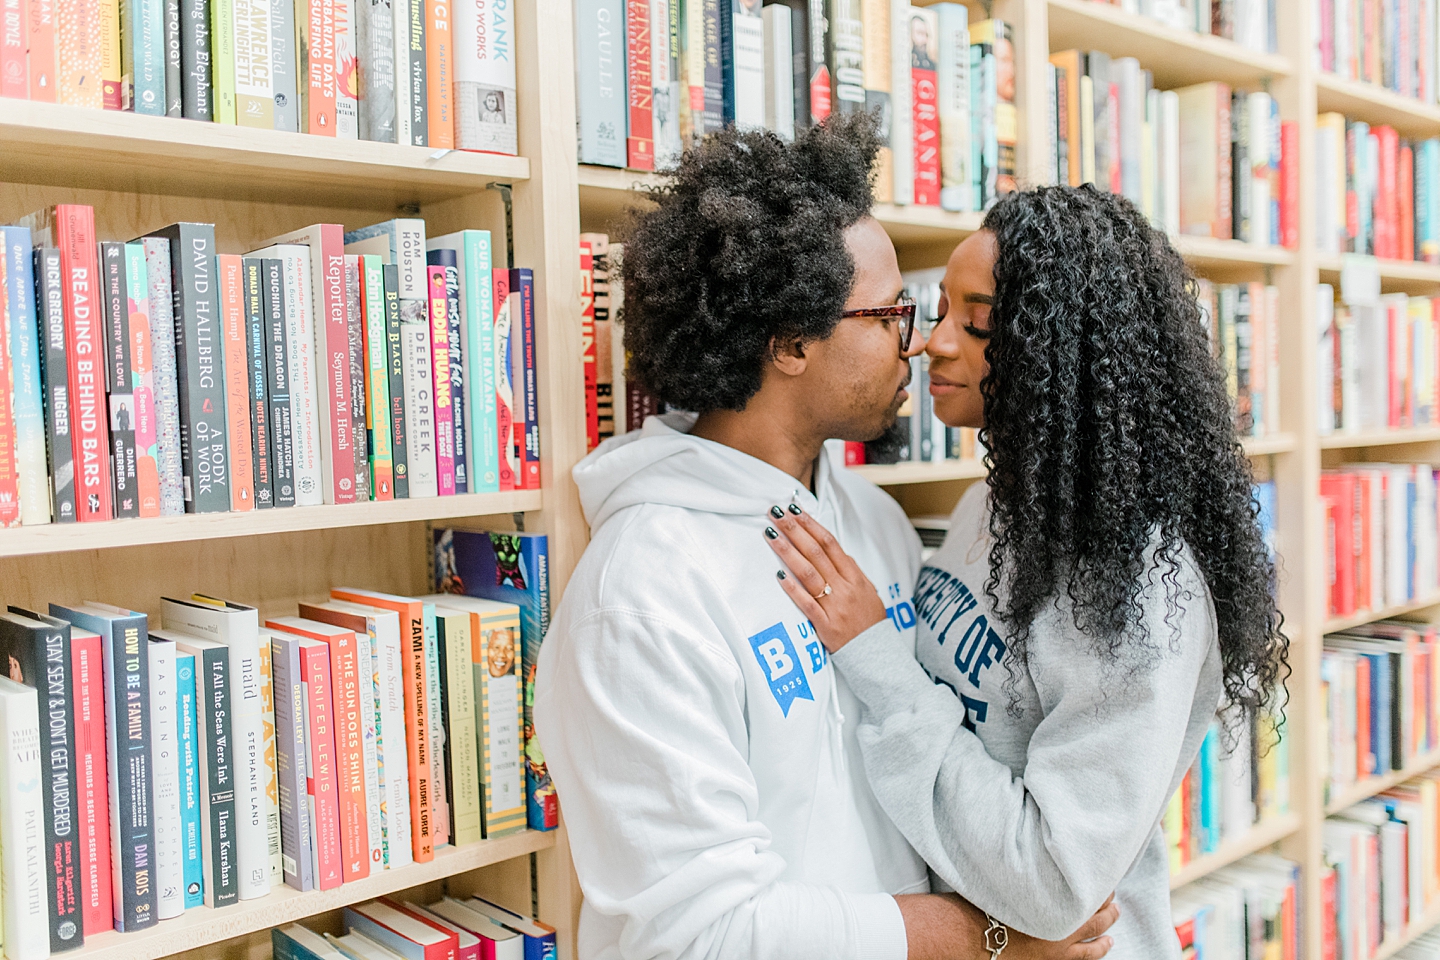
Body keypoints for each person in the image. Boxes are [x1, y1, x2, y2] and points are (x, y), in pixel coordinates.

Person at [534, 118, 1118, 959]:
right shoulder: (640, 596)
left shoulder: (871, 522)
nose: (918, 341)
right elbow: (704, 939)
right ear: (791, 343)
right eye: (891, 314)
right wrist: (991, 933)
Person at [764, 185, 1289, 960]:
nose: (931, 344)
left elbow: (1053, 884)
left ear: (1062, 347)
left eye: (975, 324)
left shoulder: (1136, 590)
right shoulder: (990, 506)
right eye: (937, 310)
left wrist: (874, 654)